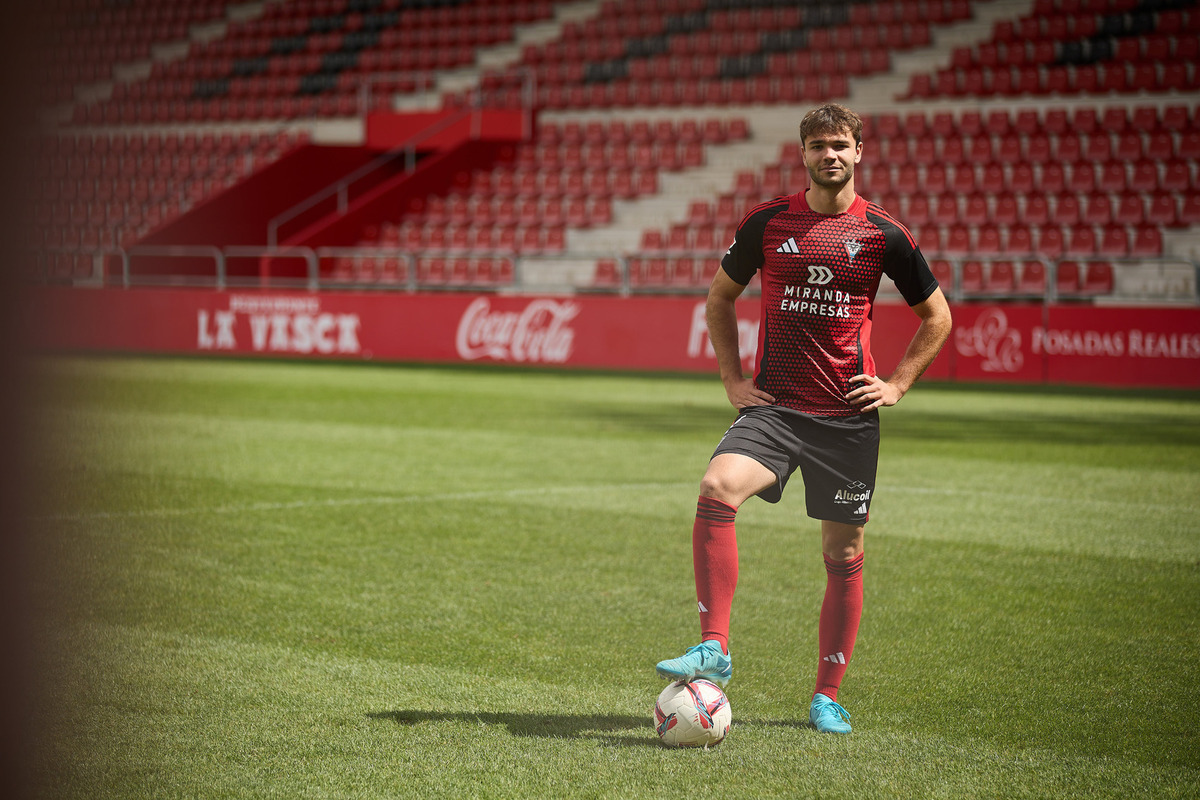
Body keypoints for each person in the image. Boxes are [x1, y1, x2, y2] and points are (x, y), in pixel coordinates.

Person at [655, 103, 952, 734]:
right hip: (776, 408)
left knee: (843, 552)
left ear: (859, 152)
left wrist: (898, 383)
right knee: (716, 487)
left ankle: (826, 695)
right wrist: (732, 379)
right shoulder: (768, 222)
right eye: (818, 145)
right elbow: (720, 297)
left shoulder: (884, 234)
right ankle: (714, 646)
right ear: (803, 154)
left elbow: (938, 316)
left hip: (846, 418)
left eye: (840, 144)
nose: (830, 155)